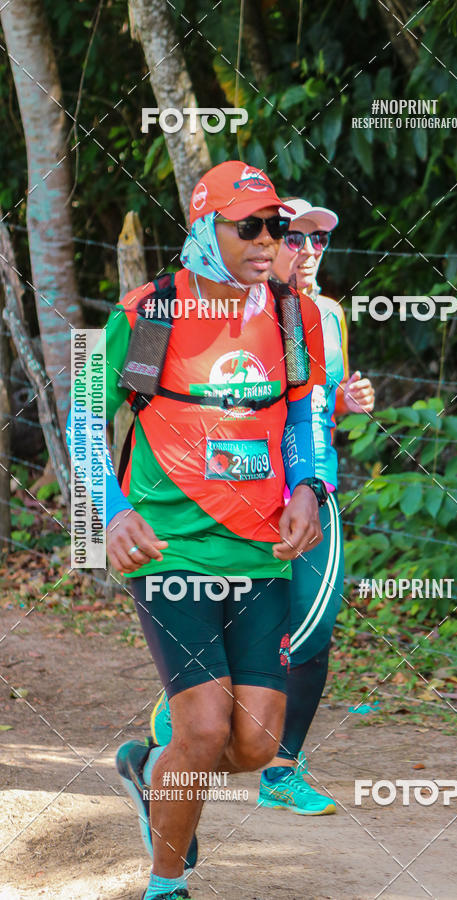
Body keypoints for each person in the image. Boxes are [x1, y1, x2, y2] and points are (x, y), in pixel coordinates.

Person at [66, 161, 327, 900]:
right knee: (206, 727)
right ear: (205, 230)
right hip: (170, 548)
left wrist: (306, 484)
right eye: (249, 226)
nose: (268, 240)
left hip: (264, 551)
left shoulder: (291, 313)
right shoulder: (147, 314)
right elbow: (84, 413)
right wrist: (113, 510)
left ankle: (149, 770)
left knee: (256, 743)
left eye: (277, 226)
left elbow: (304, 411)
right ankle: (166, 885)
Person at [150, 197, 375, 817]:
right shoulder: (181, 310)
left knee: (315, 624)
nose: (303, 252)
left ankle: (276, 766)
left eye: (314, 241)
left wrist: (346, 406)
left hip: (306, 496)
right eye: (289, 237)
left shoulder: (322, 314)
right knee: (244, 632)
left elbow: (311, 409)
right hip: (227, 502)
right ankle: (191, 720)